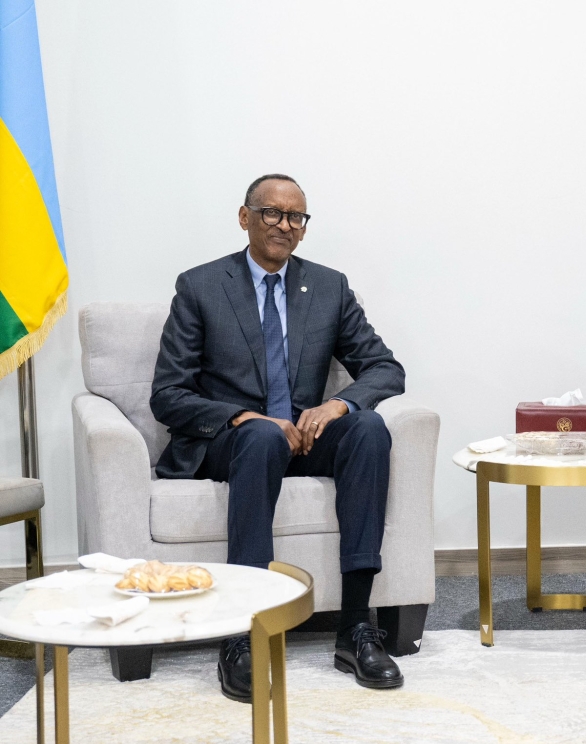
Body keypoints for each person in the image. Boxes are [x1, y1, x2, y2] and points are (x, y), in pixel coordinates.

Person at [150, 173, 406, 702]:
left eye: (295, 217)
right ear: (245, 217)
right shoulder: (200, 286)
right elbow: (168, 394)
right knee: (263, 438)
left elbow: (385, 367)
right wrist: (243, 417)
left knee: (368, 427)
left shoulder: (329, 287)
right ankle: (243, 632)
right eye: (272, 213)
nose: (284, 225)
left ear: (304, 228)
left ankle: (356, 627)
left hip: (303, 438)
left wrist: (339, 404)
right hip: (233, 441)